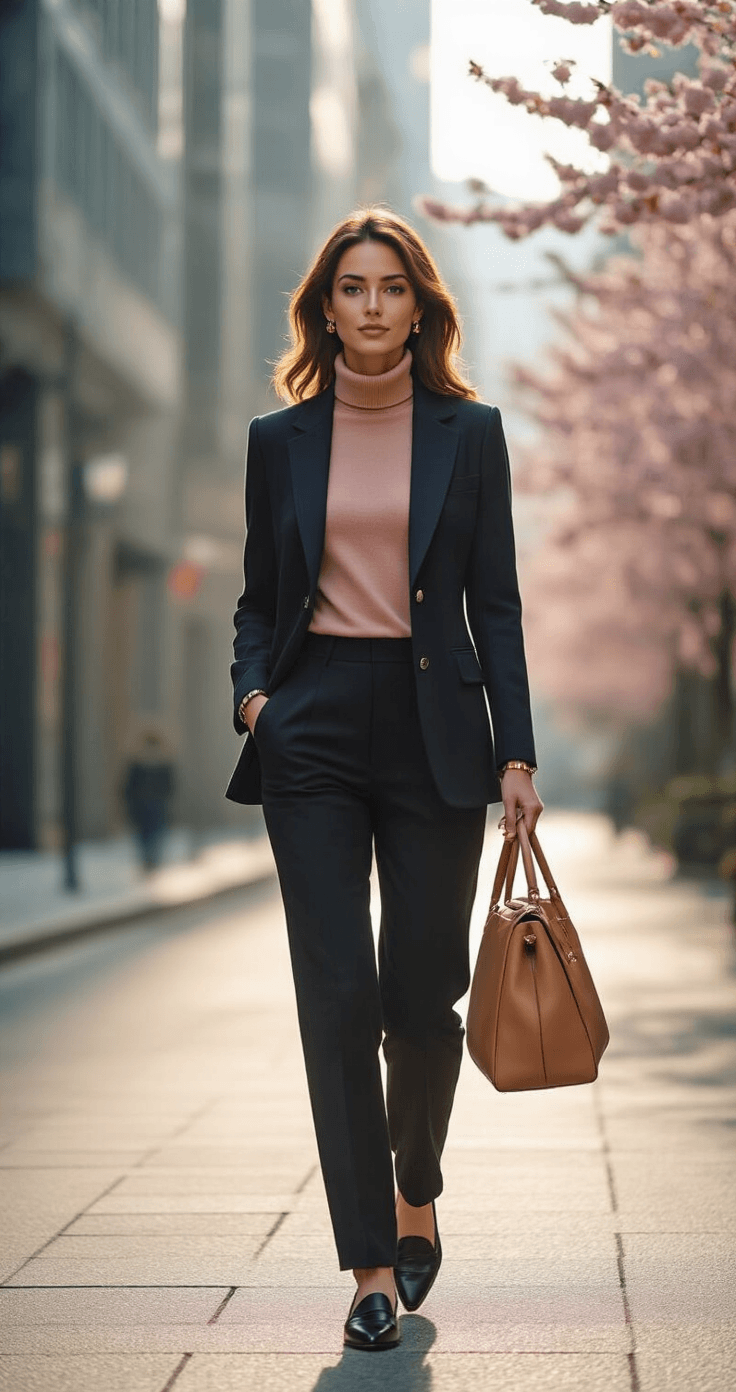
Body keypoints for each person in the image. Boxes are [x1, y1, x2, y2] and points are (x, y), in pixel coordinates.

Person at [225, 208, 543, 1350]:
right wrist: (257, 699)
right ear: (325, 306)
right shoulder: (280, 439)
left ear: (420, 305)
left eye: (390, 288)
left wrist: (515, 751)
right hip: (310, 732)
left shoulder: (472, 432)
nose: (369, 306)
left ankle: (417, 1181)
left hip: (434, 733)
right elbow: (262, 596)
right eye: (349, 288)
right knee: (337, 1001)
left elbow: (492, 603)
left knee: (421, 1000)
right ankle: (367, 1262)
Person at [121, 725, 176, 873]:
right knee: (147, 837)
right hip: (143, 807)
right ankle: (148, 861)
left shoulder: (159, 765)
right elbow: (128, 788)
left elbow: (169, 787)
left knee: (152, 836)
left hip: (154, 806)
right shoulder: (138, 765)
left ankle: (150, 862)